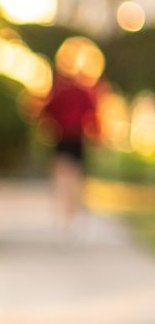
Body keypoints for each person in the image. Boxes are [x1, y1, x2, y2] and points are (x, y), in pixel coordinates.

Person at [36, 34, 108, 225]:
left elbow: (46, 113)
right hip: (73, 138)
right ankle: (71, 215)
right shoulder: (84, 90)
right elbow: (94, 117)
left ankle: (66, 215)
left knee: (63, 177)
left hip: (66, 138)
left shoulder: (60, 88)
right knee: (74, 179)